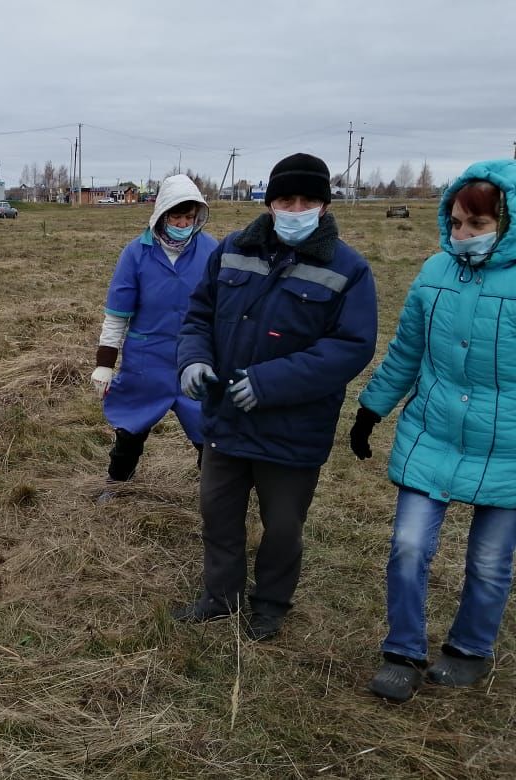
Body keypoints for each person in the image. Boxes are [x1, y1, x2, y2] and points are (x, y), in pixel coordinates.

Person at [174, 153, 378, 640]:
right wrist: (193, 359)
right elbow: (199, 315)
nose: (296, 208)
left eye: (308, 200)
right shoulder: (231, 250)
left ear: (324, 207)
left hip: (293, 431)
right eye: (286, 199)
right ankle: (220, 596)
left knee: (283, 527)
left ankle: (270, 604)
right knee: (218, 514)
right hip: (226, 419)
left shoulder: (349, 269)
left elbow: (349, 348)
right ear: (269, 203)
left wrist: (269, 384)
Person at [350, 159, 516, 702]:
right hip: (434, 434)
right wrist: (372, 408)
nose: (460, 234)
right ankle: (403, 649)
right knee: (407, 544)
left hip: (508, 447)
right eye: (456, 222)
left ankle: (469, 649)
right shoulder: (432, 273)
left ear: (507, 223)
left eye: (477, 225)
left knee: (490, 563)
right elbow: (406, 352)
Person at [90, 174, 218, 500]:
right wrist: (105, 364)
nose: (183, 223)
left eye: (189, 217)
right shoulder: (136, 254)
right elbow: (118, 315)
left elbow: (225, 309)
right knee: (131, 429)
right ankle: (117, 484)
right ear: (162, 214)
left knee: (211, 433)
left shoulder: (211, 251)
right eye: (176, 216)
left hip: (197, 359)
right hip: (148, 361)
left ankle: (217, 495)